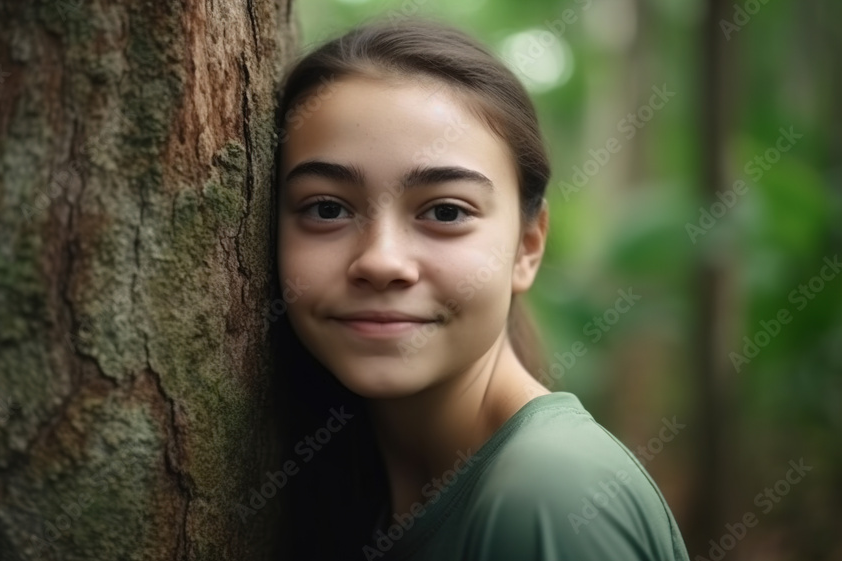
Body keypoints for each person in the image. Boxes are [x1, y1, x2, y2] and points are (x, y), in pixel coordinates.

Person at [269, 16, 690, 561]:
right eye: (327, 208)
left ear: (527, 246)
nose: (380, 261)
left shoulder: (552, 498)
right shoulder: (350, 484)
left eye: (445, 211)